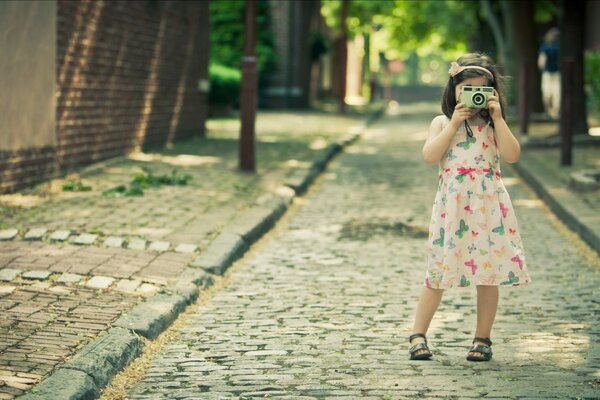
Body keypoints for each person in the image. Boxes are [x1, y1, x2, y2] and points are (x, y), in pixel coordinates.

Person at [408, 53, 531, 362]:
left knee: (487, 273)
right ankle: (417, 334)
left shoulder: (494, 125)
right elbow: (429, 156)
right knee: (438, 270)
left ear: (493, 92)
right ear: (454, 91)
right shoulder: (441, 122)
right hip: (453, 208)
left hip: (488, 207)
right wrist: (454, 123)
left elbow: (513, 156)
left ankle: (482, 338)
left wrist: (499, 119)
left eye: (482, 89)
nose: (475, 96)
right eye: (468, 89)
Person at [538, 28, 560, 119]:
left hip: (547, 72)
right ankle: (555, 112)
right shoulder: (559, 46)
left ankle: (548, 111)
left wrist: (541, 67)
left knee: (546, 93)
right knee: (557, 93)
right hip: (557, 72)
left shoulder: (545, 46)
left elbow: (542, 61)